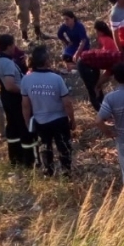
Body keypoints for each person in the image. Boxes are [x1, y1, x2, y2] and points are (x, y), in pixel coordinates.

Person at [21, 46, 75, 177]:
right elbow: (67, 103)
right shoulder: (56, 79)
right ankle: (66, 172)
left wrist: (28, 122)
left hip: (40, 121)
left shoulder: (26, 80)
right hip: (59, 120)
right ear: (46, 62)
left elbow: (26, 105)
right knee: (63, 146)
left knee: (45, 147)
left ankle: (47, 172)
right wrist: (72, 119)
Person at [0, 34, 36, 167]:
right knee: (24, 126)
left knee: (12, 127)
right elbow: (10, 85)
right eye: (13, 44)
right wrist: (25, 91)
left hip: (5, 96)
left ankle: (14, 158)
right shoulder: (7, 63)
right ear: (9, 46)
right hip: (15, 97)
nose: (14, 47)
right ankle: (29, 160)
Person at [76, 46, 124, 112]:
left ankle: (103, 107)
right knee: (93, 89)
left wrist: (98, 85)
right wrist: (97, 86)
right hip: (84, 62)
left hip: (93, 64)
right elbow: (106, 75)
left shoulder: (122, 59)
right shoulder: (118, 61)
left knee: (97, 87)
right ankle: (101, 113)